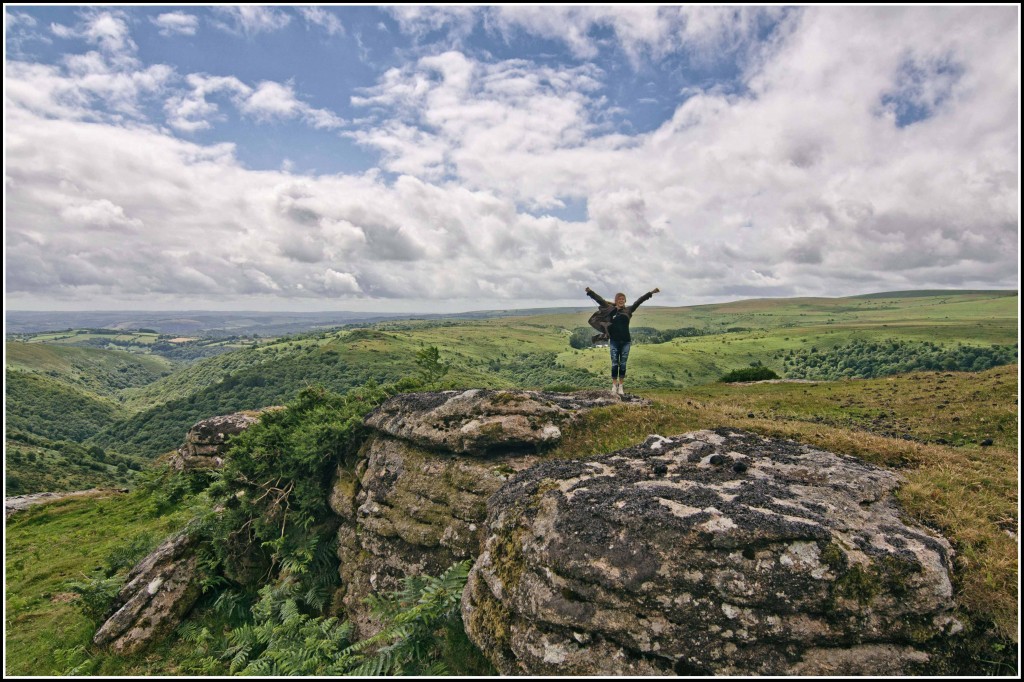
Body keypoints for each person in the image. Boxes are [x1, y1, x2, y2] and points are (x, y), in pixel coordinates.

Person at [585, 286, 660, 396]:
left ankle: (621, 386)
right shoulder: (610, 309)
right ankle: (614, 385)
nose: (621, 301)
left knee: (623, 364)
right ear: (616, 301)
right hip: (614, 341)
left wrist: (651, 292)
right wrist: (590, 292)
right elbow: (600, 300)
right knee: (615, 363)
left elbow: (639, 300)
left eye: (623, 299)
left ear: (625, 301)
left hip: (626, 341)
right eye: (619, 299)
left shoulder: (628, 310)